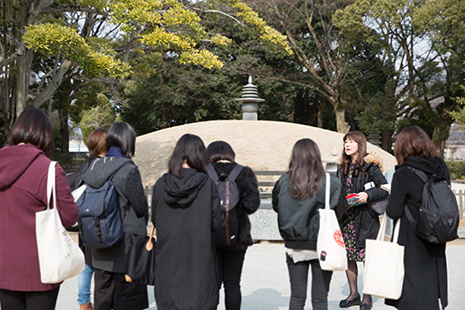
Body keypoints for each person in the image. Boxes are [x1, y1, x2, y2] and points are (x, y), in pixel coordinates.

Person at [0, 108, 79, 310]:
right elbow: (69, 217)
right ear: (46, 136)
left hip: (4, 266)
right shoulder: (48, 169)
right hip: (41, 268)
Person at [152, 134, 224, 310]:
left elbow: (155, 219)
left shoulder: (161, 184)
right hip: (199, 257)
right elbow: (217, 223)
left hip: (167, 256)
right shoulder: (207, 184)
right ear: (199, 155)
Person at [82, 122, 148, 310]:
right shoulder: (128, 169)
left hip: (100, 246)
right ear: (128, 142)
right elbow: (141, 207)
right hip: (126, 250)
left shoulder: (94, 167)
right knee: (127, 300)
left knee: (103, 299)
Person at [272, 138, 344, 310]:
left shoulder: (285, 181)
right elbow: (340, 210)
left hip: (295, 244)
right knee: (320, 299)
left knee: (297, 297)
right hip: (323, 244)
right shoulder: (331, 182)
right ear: (316, 156)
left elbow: (277, 206)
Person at [385, 126, 449, 310]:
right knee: (429, 291)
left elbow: (393, 211)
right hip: (437, 235)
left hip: (412, 238)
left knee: (411, 294)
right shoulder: (439, 169)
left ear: (402, 148)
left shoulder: (404, 173)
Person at [205, 141, 261, 310]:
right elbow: (252, 206)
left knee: (211, 285)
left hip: (209, 238)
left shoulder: (204, 172)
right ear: (230, 153)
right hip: (238, 237)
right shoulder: (244, 172)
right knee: (233, 283)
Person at [337, 131, 388, 310]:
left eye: (351, 142)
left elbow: (385, 188)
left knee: (368, 258)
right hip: (347, 218)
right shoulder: (342, 166)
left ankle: (367, 296)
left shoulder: (370, 166)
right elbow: (338, 190)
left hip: (366, 219)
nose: (347, 145)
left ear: (360, 144)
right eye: (345, 142)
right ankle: (353, 294)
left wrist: (368, 195)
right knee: (349, 257)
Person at [67, 129, 108, 310]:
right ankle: (98, 302)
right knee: (99, 265)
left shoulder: (83, 166)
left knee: (86, 263)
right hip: (100, 222)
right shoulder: (104, 167)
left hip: (83, 222)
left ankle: (83, 302)